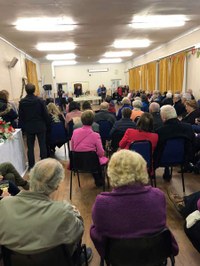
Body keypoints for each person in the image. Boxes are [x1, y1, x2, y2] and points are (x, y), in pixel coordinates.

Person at [0, 158, 92, 263]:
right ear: (56, 186)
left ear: (31, 177)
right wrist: (75, 213)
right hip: (56, 261)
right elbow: (78, 231)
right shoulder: (64, 212)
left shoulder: (4, 205)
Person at [90, 150, 179, 258]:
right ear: (143, 169)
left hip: (118, 258)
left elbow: (98, 234)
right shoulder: (158, 196)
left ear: (111, 172)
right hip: (153, 256)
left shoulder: (102, 203)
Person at [155, 105, 195, 181]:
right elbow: (193, 143)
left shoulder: (160, 131)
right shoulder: (188, 127)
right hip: (184, 158)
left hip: (162, 159)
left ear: (163, 117)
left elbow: (158, 148)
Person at [71, 110, 108, 187]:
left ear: (81, 120)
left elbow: (73, 148)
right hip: (93, 163)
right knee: (98, 159)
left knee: (93, 158)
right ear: (92, 121)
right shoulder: (96, 135)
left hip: (77, 162)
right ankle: (99, 181)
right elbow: (101, 153)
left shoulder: (75, 132)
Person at [18, 83, 49, 169]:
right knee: (42, 145)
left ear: (26, 90)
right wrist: (47, 123)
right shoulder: (40, 100)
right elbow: (45, 114)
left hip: (29, 127)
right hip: (40, 125)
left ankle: (31, 165)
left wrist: (22, 128)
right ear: (34, 90)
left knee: (30, 147)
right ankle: (44, 164)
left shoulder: (22, 102)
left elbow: (21, 116)